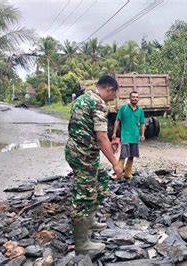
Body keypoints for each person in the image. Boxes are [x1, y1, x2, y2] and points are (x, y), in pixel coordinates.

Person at [65, 75, 123, 254]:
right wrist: (115, 163)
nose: (113, 99)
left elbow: (84, 128)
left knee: (101, 179)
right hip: (84, 156)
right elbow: (101, 136)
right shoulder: (98, 104)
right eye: (114, 95)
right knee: (83, 195)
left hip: (77, 151)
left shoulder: (82, 98)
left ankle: (89, 221)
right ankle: (82, 244)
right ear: (109, 89)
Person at [112, 91, 146, 179]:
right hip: (125, 135)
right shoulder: (124, 108)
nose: (135, 98)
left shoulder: (140, 110)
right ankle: (118, 174)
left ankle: (127, 173)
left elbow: (142, 123)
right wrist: (114, 133)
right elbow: (117, 121)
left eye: (136, 97)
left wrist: (142, 134)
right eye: (133, 97)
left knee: (132, 155)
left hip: (135, 136)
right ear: (130, 98)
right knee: (123, 155)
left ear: (138, 99)